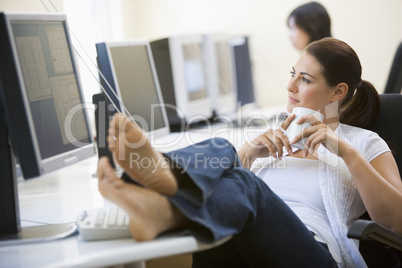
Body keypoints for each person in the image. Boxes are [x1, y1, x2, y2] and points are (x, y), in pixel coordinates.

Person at [97, 38, 402, 267]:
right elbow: (229, 191)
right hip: (250, 241)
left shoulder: (363, 142)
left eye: (305, 80)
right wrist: (250, 152)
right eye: (293, 73)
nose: (290, 86)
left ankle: (163, 199)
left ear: (338, 92)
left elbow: (395, 222)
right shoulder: (281, 134)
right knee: (224, 149)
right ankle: (159, 190)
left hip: (315, 253)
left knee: (246, 186)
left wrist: (346, 152)